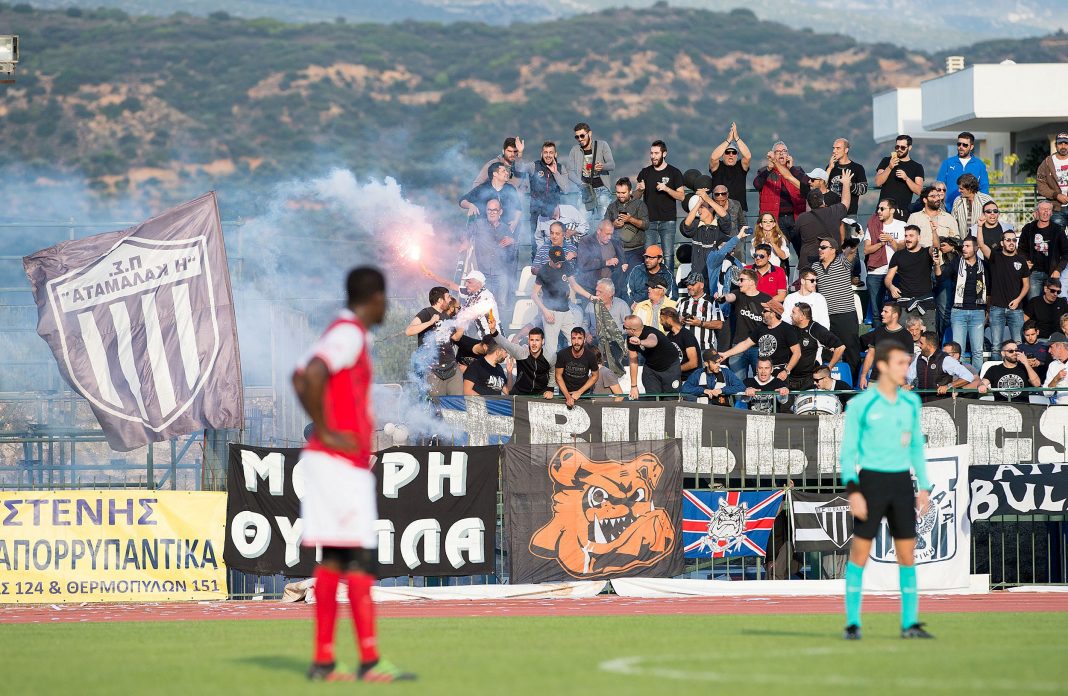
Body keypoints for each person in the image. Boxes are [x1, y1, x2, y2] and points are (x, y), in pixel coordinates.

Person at [292, 267, 416, 682]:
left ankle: (325, 661)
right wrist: (328, 430)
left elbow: (303, 374)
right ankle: (368, 660)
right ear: (375, 298)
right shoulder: (348, 333)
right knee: (360, 559)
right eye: (385, 299)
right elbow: (309, 374)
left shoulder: (345, 332)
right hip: (338, 464)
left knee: (334, 559)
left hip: (336, 463)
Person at [840, 341, 933, 642]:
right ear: (882, 366)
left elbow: (916, 446)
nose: (906, 368)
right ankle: (852, 623)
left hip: (902, 484)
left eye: (907, 363)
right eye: (900, 363)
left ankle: (910, 624)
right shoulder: (861, 404)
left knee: (907, 555)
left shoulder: (911, 403)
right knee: (860, 554)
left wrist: (924, 486)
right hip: (870, 483)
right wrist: (853, 491)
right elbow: (848, 452)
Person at [532, 246, 595, 356]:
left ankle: (576, 363)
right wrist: (545, 312)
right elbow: (534, 295)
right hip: (551, 312)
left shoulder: (565, 265)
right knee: (551, 347)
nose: (559, 264)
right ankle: (550, 366)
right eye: (557, 262)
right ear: (549, 258)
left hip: (566, 310)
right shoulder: (543, 271)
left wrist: (590, 297)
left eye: (561, 261)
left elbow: (574, 285)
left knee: (575, 340)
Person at [812, 237, 862, 375]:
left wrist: (852, 239)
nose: (820, 249)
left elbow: (851, 251)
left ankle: (854, 382)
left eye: (823, 247)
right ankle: (827, 380)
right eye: (819, 247)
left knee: (851, 350)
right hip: (826, 317)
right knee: (828, 351)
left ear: (833, 250)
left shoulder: (841, 261)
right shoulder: (815, 266)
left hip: (845, 315)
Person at [718, 303, 800, 384]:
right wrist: (726, 354)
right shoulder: (761, 327)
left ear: (773, 314)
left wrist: (786, 371)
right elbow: (746, 343)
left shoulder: (787, 329)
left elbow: (797, 352)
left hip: (778, 374)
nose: (762, 313)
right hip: (762, 374)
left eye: (765, 311)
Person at [636, 140, 685, 271]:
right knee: (648, 255)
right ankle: (649, 282)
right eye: (651, 153)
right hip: (649, 221)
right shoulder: (645, 172)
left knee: (668, 256)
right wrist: (640, 190)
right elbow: (636, 197)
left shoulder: (674, 172)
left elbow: (681, 196)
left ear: (664, 154)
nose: (653, 156)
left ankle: (668, 282)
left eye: (656, 153)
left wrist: (667, 189)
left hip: (668, 221)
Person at [406, 286, 463, 396]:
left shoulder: (446, 316)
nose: (450, 300)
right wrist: (430, 322)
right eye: (448, 297)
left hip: (452, 367)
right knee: (436, 404)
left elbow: (456, 337)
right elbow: (409, 331)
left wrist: (463, 323)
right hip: (433, 371)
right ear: (440, 300)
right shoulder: (426, 312)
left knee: (457, 402)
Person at [977, 228, 1030, 347]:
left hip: (1016, 309)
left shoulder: (1021, 261)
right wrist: (980, 226)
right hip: (997, 308)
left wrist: (1018, 300)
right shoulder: (995, 257)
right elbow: (981, 244)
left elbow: (1026, 285)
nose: (1012, 242)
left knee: (1018, 344)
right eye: (1008, 240)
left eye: (1014, 240)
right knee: (996, 346)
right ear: (1002, 243)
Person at [885, 225, 941, 332]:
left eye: (911, 236)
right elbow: (888, 278)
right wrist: (891, 287)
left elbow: (936, 247)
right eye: (906, 236)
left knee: (929, 337)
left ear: (918, 238)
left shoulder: (926, 252)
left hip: (926, 303)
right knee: (904, 338)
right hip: (905, 304)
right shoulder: (898, 255)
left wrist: (934, 231)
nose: (908, 239)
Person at [718, 268, 771, 380]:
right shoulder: (738, 294)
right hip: (738, 346)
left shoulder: (766, 299)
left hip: (758, 347)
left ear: (751, 282)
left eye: (742, 280)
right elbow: (730, 297)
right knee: (738, 383)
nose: (739, 283)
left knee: (761, 381)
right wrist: (723, 297)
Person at [944, 237, 988, 371]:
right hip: (958, 311)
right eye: (963, 246)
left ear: (976, 248)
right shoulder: (956, 262)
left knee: (978, 351)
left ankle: (976, 380)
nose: (963, 248)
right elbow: (941, 277)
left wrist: (988, 311)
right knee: (959, 352)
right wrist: (936, 265)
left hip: (978, 311)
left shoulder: (984, 266)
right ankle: (961, 379)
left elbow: (990, 290)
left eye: (967, 246)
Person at [753, 141, 809, 243]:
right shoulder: (765, 171)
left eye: (784, 151)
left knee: (802, 247)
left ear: (788, 155)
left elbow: (807, 184)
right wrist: (769, 169)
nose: (781, 154)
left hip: (796, 217)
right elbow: (757, 185)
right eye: (778, 152)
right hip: (776, 219)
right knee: (780, 249)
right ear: (773, 155)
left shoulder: (797, 170)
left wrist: (792, 168)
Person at [796, 169, 853, 267]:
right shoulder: (833, 212)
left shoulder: (801, 218)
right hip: (831, 261)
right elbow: (846, 201)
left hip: (808, 263)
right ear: (823, 201)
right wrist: (846, 183)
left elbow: (796, 237)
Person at [863, 198, 907, 328]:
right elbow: (866, 250)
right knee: (877, 311)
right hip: (875, 272)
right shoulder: (873, 224)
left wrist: (891, 240)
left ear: (892, 210)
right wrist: (881, 243)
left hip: (896, 272)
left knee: (896, 308)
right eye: (878, 208)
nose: (879, 211)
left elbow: (902, 249)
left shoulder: (901, 225)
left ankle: (896, 336)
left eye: (882, 209)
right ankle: (878, 337)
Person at [464, 199, 517, 306]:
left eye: (495, 210)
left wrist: (513, 241)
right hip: (483, 275)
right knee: (483, 304)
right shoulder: (478, 224)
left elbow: (513, 253)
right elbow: (465, 233)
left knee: (501, 305)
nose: (492, 212)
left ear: (500, 212)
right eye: (489, 210)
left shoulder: (505, 228)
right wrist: (465, 241)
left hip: (501, 275)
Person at [680, 188, 734, 286]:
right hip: (698, 278)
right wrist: (699, 202)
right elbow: (687, 224)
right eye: (698, 208)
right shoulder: (696, 226)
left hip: (715, 277)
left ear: (711, 208)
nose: (698, 211)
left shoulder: (720, 227)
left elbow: (725, 217)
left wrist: (707, 199)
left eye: (702, 207)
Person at [906, 330, 977, 402]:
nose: (919, 345)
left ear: (930, 346)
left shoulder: (945, 359)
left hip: (940, 403)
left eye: (921, 343)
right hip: (921, 403)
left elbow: (968, 376)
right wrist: (905, 385)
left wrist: (949, 386)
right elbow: (908, 377)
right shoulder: (918, 358)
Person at [568, 122, 615, 226]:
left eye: (582, 136)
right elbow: (570, 172)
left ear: (589, 133)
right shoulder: (575, 150)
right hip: (585, 191)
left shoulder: (602, 145)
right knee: (582, 222)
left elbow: (612, 165)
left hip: (602, 189)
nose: (580, 139)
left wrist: (602, 166)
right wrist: (580, 183)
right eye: (577, 137)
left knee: (605, 222)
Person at [790, 302, 845, 390]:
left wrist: (829, 368)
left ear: (802, 317)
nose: (790, 315)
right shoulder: (790, 329)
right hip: (790, 377)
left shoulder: (815, 329)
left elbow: (840, 347)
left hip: (809, 379)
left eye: (793, 313)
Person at [624, 314, 681, 399]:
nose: (624, 330)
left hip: (670, 367)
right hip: (651, 368)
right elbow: (633, 362)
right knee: (652, 397)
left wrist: (640, 342)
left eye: (624, 327)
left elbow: (653, 342)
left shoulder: (650, 332)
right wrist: (633, 387)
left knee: (670, 398)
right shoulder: (630, 338)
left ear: (632, 330)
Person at [859, 303, 913, 389]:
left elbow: (908, 360)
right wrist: (863, 376)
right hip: (875, 380)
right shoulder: (878, 331)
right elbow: (870, 355)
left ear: (895, 315)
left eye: (886, 312)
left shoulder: (906, 335)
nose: (882, 313)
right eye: (882, 311)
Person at [1019, 201, 1066, 299]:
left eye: (1048, 209)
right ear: (1037, 212)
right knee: (1033, 302)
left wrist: (1058, 270)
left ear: (1051, 213)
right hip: (1034, 272)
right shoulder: (1028, 228)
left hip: (1052, 273)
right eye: (1043, 209)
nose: (1046, 212)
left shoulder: (1058, 230)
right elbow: (1021, 249)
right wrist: (1025, 261)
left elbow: (1066, 253)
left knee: (1052, 302)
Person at [583, 278, 630, 377]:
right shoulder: (591, 305)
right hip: (595, 342)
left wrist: (612, 332)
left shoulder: (622, 305)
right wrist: (587, 334)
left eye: (600, 292)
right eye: (596, 291)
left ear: (610, 293)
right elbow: (584, 324)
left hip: (615, 343)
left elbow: (628, 326)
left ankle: (616, 376)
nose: (596, 294)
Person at [459, 161, 522, 233]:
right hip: (485, 230)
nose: (507, 173)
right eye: (503, 171)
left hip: (504, 229)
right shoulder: (482, 188)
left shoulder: (510, 188)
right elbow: (462, 201)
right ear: (495, 174)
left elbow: (518, 208)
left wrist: (515, 222)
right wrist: (470, 205)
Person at [527, 141, 570, 241]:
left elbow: (566, 189)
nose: (548, 155)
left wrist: (555, 173)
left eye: (551, 152)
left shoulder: (560, 168)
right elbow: (518, 168)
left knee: (554, 242)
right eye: (545, 152)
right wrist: (520, 153)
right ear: (541, 154)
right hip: (536, 212)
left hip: (554, 213)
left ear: (555, 154)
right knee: (535, 242)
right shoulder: (534, 166)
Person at [874, 135, 924, 220]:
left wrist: (906, 178)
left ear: (909, 148)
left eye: (903, 147)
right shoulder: (886, 161)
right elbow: (878, 182)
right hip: (883, 210)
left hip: (902, 211)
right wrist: (889, 167)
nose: (899, 149)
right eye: (897, 147)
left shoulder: (917, 167)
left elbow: (919, 191)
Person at [604, 177, 649, 271]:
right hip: (617, 251)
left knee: (635, 276)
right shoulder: (612, 207)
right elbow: (604, 225)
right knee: (619, 278)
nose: (620, 195)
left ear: (630, 191)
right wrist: (613, 224)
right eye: (618, 192)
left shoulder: (639, 204)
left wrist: (630, 219)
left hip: (636, 250)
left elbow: (646, 225)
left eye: (623, 193)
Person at [495, 327, 554, 398]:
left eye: (537, 340)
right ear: (528, 341)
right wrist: (493, 331)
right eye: (532, 340)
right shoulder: (521, 353)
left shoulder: (550, 356)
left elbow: (553, 371)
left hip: (541, 394)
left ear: (543, 341)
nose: (534, 343)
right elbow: (505, 344)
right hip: (520, 393)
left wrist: (550, 389)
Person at [936, 131, 989, 209]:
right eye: (959, 144)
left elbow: (984, 188)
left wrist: (983, 206)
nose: (961, 147)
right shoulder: (947, 163)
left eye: (965, 145)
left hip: (972, 208)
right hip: (949, 208)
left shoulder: (980, 165)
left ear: (971, 147)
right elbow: (939, 184)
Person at [708, 122, 752, 211]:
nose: (731, 155)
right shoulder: (718, 166)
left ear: (737, 155)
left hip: (739, 210)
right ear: (722, 155)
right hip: (719, 210)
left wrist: (737, 138)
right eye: (727, 152)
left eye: (734, 152)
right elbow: (713, 158)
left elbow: (748, 156)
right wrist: (728, 140)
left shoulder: (741, 166)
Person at [577, 218, 627, 292]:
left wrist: (623, 263)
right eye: (607, 234)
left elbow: (621, 255)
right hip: (591, 287)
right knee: (595, 301)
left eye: (611, 234)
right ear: (599, 231)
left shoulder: (614, 241)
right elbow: (583, 265)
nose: (609, 237)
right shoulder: (586, 241)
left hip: (611, 287)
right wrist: (606, 262)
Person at [676, 272, 723, 352]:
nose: (689, 287)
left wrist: (700, 323)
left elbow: (719, 324)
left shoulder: (711, 301)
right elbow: (674, 322)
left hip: (705, 348)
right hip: (685, 348)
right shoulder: (682, 301)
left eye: (692, 284)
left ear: (702, 285)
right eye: (687, 284)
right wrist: (680, 320)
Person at [681, 349, 746, 405]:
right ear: (706, 364)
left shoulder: (726, 372)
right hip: (704, 410)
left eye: (719, 362)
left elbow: (741, 387)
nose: (718, 365)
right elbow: (685, 388)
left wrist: (722, 390)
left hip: (722, 411)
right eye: (715, 363)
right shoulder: (698, 373)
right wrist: (703, 390)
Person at [555, 327, 600, 407]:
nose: (576, 342)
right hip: (564, 392)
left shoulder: (591, 356)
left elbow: (595, 376)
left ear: (584, 340)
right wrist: (568, 396)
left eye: (579, 338)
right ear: (571, 340)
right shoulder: (562, 354)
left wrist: (580, 392)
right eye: (574, 338)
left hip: (584, 394)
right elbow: (558, 376)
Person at [907, 184, 959, 248]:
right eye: (933, 196)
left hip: (941, 253)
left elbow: (956, 239)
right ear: (925, 200)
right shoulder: (914, 217)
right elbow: (908, 238)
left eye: (938, 196)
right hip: (921, 253)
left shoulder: (949, 218)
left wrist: (951, 248)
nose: (937, 198)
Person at [827, 138, 868, 216]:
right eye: (833, 148)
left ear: (846, 150)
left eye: (838, 148)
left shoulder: (857, 168)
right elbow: (823, 186)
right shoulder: (830, 167)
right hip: (831, 213)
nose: (834, 151)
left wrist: (849, 185)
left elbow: (864, 189)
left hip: (849, 214)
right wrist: (829, 168)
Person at [1036, 133, 1068, 228]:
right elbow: (1041, 186)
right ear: (1055, 145)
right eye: (1060, 143)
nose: (1063, 146)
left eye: (1066, 143)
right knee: (1057, 235)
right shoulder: (1046, 163)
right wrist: (1056, 195)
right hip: (1056, 208)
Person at [660, 307, 701, 381]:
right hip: (677, 378)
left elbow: (693, 363)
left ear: (669, 319)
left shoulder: (686, 335)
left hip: (691, 380)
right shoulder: (669, 336)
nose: (660, 322)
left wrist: (673, 370)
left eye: (662, 320)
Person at [950, 173, 994, 239]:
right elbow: (953, 223)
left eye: (961, 189)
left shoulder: (985, 200)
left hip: (983, 241)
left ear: (970, 189)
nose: (959, 190)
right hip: (963, 241)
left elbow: (994, 220)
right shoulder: (958, 201)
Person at [1042, 332, 1068, 404]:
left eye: (1051, 347)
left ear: (1060, 346)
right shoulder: (1052, 365)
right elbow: (1046, 393)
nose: (1049, 351)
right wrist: (1055, 379)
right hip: (1060, 406)